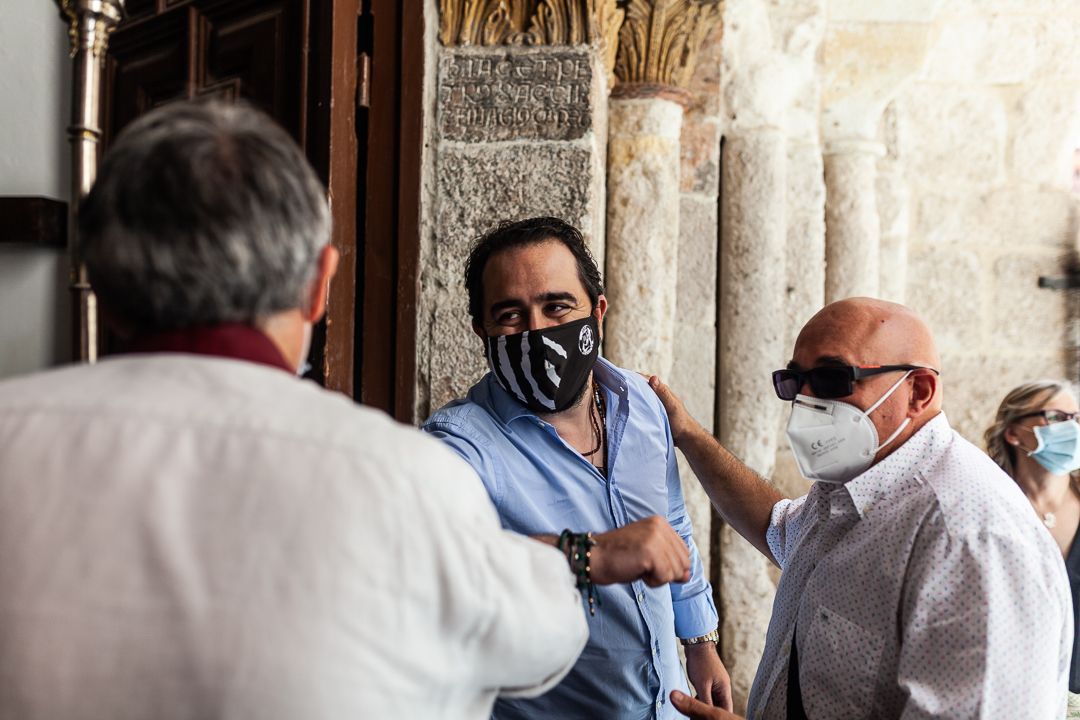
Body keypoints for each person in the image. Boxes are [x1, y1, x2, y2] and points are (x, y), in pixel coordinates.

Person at [0, 102, 590, 719]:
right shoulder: (412, 479)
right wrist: (573, 558)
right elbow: (543, 640)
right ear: (318, 284)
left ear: (105, 288)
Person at [648, 297, 1073, 720]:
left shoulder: (968, 538)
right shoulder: (856, 483)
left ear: (918, 391)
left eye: (833, 379)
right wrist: (687, 434)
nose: (807, 401)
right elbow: (780, 529)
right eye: (794, 382)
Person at [422, 216, 730, 719]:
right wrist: (586, 554)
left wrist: (698, 638)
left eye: (557, 306)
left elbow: (671, 520)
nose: (539, 332)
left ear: (598, 312)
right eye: (510, 315)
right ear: (482, 330)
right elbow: (425, 552)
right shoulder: (461, 442)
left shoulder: (644, 405)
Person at [984, 381, 1080, 701]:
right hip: (1016, 694)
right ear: (1013, 433)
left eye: (1077, 418)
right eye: (1056, 417)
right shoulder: (989, 509)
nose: (1072, 428)